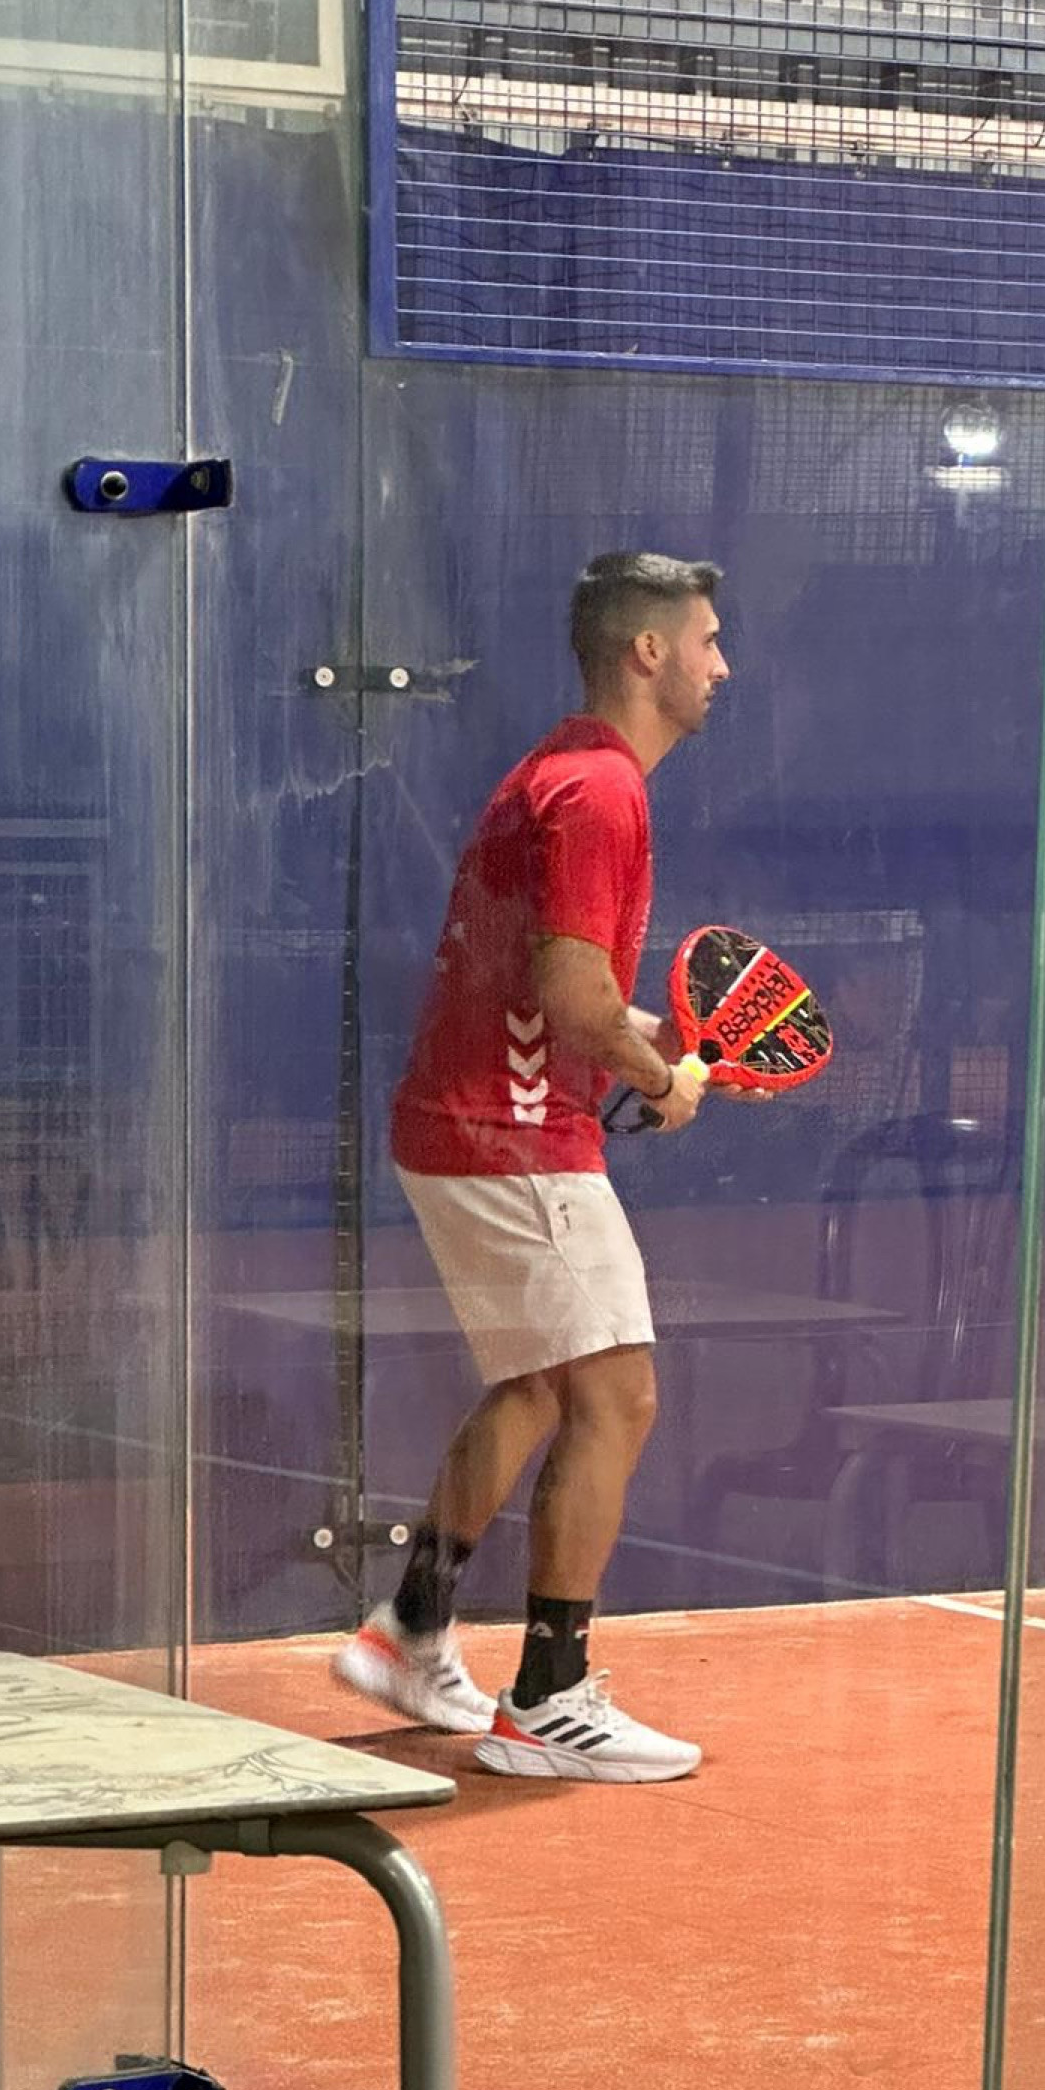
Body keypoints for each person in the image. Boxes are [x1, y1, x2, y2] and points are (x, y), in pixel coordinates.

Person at [332, 551, 741, 1783]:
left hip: (464, 1122)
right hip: (511, 1137)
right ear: (648, 652)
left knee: (536, 1382)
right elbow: (571, 996)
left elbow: (554, 986)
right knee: (618, 1396)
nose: (723, 666)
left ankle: (412, 1629)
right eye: (708, 640)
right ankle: (550, 1700)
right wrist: (660, 1078)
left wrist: (646, 1044)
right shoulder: (602, 792)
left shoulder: (555, 772)